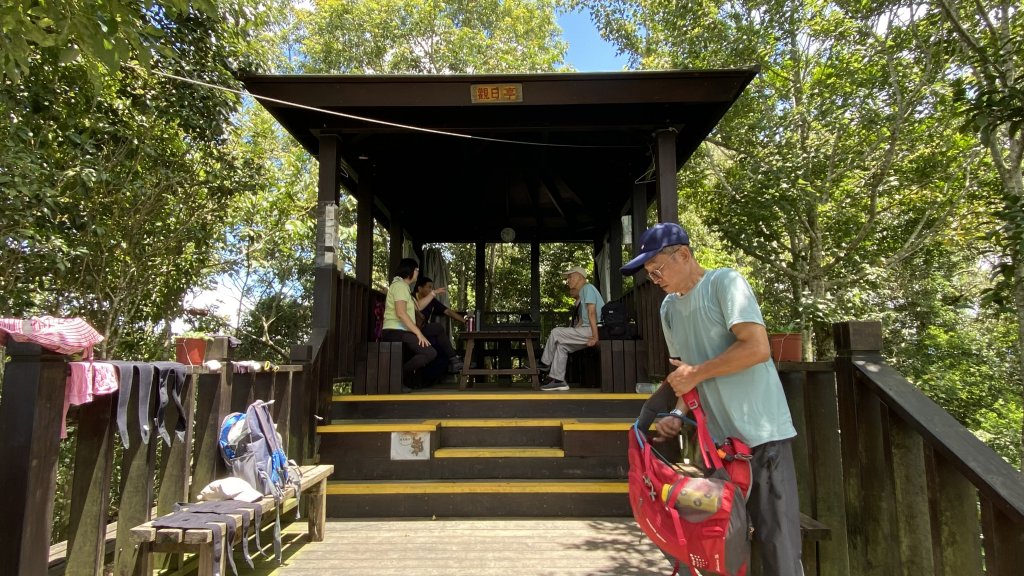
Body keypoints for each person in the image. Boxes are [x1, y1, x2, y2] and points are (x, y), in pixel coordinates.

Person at [620, 222, 803, 575]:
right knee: (722, 541)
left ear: (684, 254)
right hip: (717, 447)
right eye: (649, 274)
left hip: (762, 438)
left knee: (778, 543)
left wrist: (696, 375)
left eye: (657, 269)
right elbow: (686, 373)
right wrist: (676, 411)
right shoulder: (668, 309)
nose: (654, 279)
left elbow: (757, 347)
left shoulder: (725, 283)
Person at [538, 266, 605, 391]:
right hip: (588, 330)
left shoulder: (588, 288)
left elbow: (592, 313)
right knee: (562, 346)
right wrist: (572, 331)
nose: (568, 280)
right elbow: (582, 320)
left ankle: (545, 364)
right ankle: (558, 380)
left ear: (580, 277)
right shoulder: (583, 292)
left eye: (570, 277)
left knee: (556, 332)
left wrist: (595, 337)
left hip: (594, 330)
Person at [380, 258, 436, 389]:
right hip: (394, 331)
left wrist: (433, 294)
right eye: (416, 270)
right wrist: (418, 332)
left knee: (428, 352)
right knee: (430, 353)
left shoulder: (403, 287)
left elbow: (418, 307)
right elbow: (401, 313)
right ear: (409, 270)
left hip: (402, 332)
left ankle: (399, 376)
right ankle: (397, 375)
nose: (418, 272)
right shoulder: (399, 286)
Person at [414, 275, 466, 377]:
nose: (431, 290)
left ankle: (452, 361)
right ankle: (454, 359)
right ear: (420, 288)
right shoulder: (411, 297)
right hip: (411, 329)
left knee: (440, 347)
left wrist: (464, 321)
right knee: (437, 328)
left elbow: (447, 311)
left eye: (432, 287)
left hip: (423, 329)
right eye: (429, 287)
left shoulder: (431, 301)